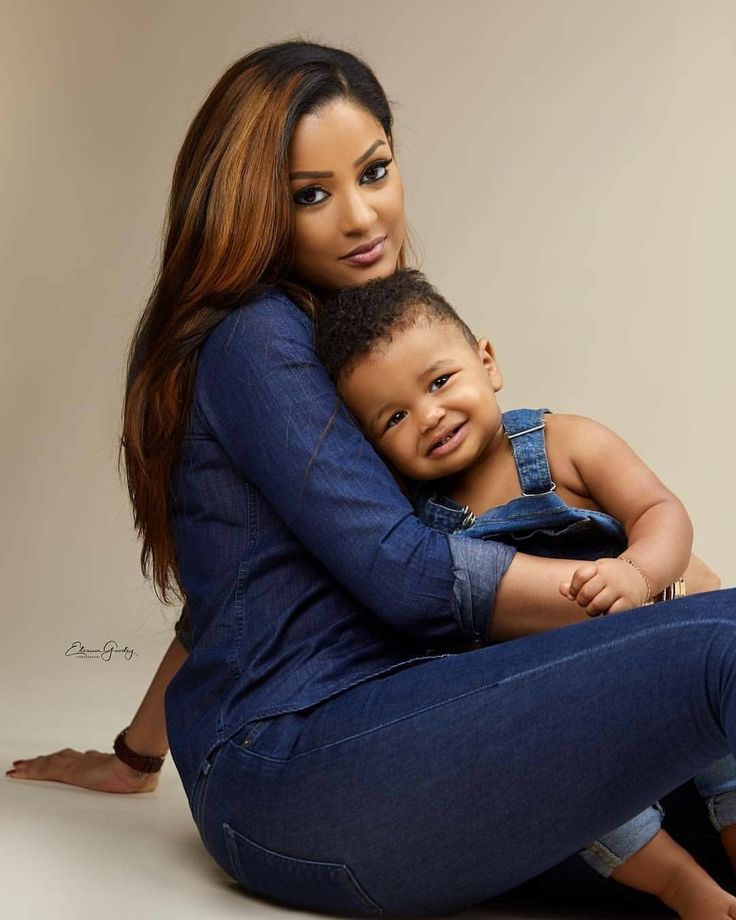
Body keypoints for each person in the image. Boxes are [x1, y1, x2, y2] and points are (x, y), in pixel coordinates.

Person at [5, 40, 735, 919]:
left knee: (703, 785)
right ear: (249, 209)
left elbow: (232, 594)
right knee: (720, 647)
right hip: (307, 764)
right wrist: (644, 592)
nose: (360, 217)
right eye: (311, 194)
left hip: (398, 735)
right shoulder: (256, 339)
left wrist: (134, 755)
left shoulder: (346, 342)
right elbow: (407, 575)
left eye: (375, 170)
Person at [313, 267, 736, 910]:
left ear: (487, 361)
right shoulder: (411, 531)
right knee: (564, 793)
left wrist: (638, 572)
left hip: (653, 658)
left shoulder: (562, 444)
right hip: (556, 707)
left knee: (717, 738)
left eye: (440, 381)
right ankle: (688, 890)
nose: (429, 415)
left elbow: (661, 511)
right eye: (394, 416)